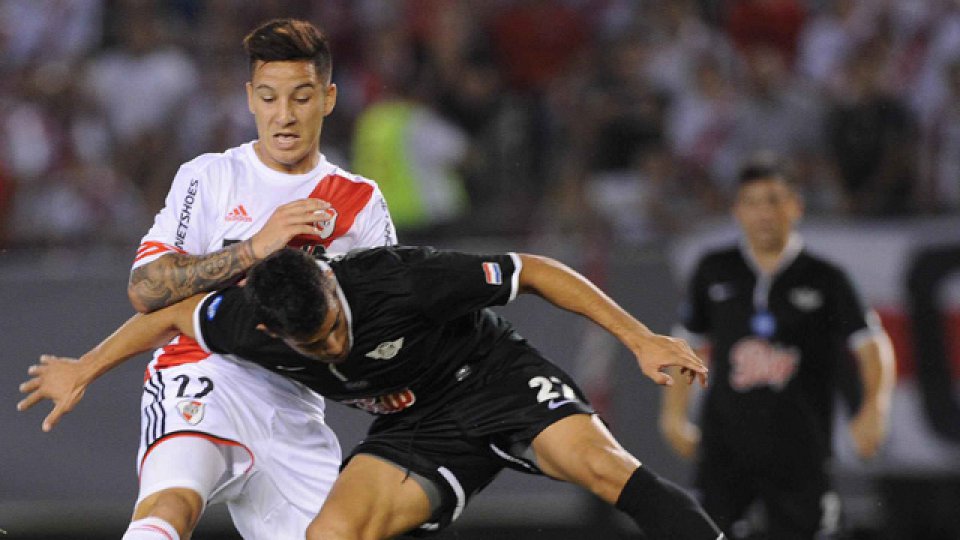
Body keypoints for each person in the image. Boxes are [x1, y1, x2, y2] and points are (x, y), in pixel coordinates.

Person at [21, 246, 726, 540]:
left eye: (332, 328)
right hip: (410, 426)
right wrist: (84, 367)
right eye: (311, 345)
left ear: (331, 281)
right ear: (270, 330)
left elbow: (533, 270)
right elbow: (170, 312)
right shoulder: (249, 320)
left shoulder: (398, 279)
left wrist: (639, 339)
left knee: (605, 470)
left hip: (492, 382)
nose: (331, 347)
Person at [23, 18, 395, 540]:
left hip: (294, 404)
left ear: (329, 98)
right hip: (203, 375)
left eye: (301, 98)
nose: (283, 116)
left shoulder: (360, 202)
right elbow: (146, 289)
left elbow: (382, 321)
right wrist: (254, 247)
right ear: (249, 98)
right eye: (268, 98)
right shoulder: (211, 177)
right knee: (171, 508)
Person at [659, 157, 896, 539]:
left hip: (801, 447)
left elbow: (872, 344)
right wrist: (673, 414)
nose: (763, 212)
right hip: (726, 445)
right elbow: (687, 345)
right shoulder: (714, 269)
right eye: (751, 202)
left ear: (795, 207)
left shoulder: (826, 278)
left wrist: (875, 406)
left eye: (773, 200)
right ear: (737, 211)